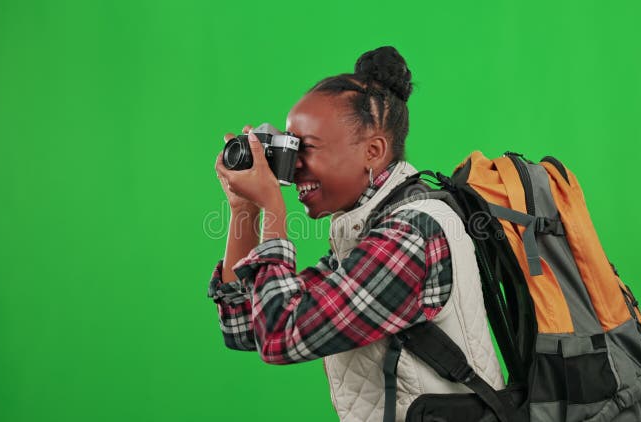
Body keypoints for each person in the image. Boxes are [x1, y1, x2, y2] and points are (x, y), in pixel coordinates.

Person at [208, 46, 504, 422]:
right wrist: (243, 210)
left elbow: (278, 337)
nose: (292, 168)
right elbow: (246, 325)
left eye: (308, 148)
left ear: (373, 151)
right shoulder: (366, 232)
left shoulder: (411, 234)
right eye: (290, 147)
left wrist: (273, 212)